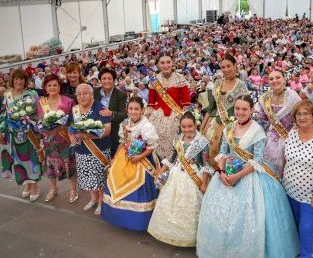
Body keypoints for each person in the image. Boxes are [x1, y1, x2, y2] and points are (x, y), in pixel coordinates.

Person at [196, 95, 298, 258]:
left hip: (248, 175)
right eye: (237, 108)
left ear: (251, 110)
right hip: (225, 174)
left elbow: (257, 159)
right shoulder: (228, 127)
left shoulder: (257, 130)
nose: (240, 112)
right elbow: (223, 152)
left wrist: (237, 176)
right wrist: (220, 172)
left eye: (244, 109)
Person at [148, 111, 211, 246]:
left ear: (196, 125)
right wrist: (161, 172)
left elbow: (206, 165)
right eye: (184, 127)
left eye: (190, 126)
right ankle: (170, 233)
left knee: (191, 206)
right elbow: (171, 159)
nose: (187, 129)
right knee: (172, 204)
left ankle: (191, 237)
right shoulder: (177, 140)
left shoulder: (203, 143)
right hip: (176, 175)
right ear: (180, 127)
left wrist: (204, 183)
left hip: (194, 178)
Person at [283, 100, 313, 258]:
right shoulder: (292, 132)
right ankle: (297, 251)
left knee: (306, 228)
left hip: (312, 196)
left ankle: (307, 255)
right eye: (299, 114)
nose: (302, 117)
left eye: (306, 113)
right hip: (290, 191)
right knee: (295, 225)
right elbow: (286, 158)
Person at [102, 97, 159, 231]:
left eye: (136, 109)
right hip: (125, 157)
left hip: (142, 159)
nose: (133, 111)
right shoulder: (125, 123)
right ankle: (119, 217)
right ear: (127, 109)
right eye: (131, 109)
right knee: (116, 180)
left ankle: (138, 220)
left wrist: (139, 157)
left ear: (142, 110)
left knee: (139, 187)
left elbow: (151, 147)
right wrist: (115, 158)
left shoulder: (146, 126)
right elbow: (122, 142)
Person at [69, 84, 111, 215]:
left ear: (92, 94)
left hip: (99, 150)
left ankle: (101, 202)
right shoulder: (75, 109)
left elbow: (106, 130)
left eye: (85, 93)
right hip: (81, 151)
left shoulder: (100, 108)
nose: (82, 96)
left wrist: (86, 135)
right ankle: (93, 199)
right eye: (79, 94)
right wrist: (73, 141)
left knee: (99, 179)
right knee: (88, 178)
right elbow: (70, 128)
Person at [0, 69, 41, 201]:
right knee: (19, 161)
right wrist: (2, 129)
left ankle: (34, 186)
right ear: (12, 80)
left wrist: (29, 123)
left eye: (21, 79)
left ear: (25, 80)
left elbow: (38, 113)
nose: (19, 81)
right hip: (13, 134)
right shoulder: (8, 95)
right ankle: (26, 184)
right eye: (16, 79)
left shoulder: (31, 93)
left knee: (31, 159)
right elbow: (4, 114)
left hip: (29, 133)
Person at [200, 53, 248, 163]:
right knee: (209, 156)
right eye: (223, 67)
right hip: (213, 124)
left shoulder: (241, 86)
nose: (226, 69)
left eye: (228, 66)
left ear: (235, 66)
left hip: (232, 127)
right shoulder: (216, 83)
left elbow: (245, 110)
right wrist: (202, 127)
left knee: (227, 159)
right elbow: (210, 107)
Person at [36, 74, 77, 203]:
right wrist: (44, 128)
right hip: (49, 139)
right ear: (45, 88)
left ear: (59, 87)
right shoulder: (42, 102)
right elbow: (40, 120)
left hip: (65, 139)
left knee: (69, 165)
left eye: (55, 85)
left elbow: (74, 120)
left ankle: (73, 190)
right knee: (50, 166)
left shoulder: (68, 101)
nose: (52, 87)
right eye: (49, 85)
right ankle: (53, 189)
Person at [255, 70, 301, 177]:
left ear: (284, 79)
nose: (275, 81)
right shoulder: (265, 98)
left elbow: (301, 117)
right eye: (271, 79)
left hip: (290, 141)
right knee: (267, 173)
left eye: (278, 77)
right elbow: (262, 119)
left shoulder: (293, 96)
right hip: (269, 142)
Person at [147, 55, 191, 160]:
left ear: (172, 63)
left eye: (168, 62)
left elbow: (186, 102)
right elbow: (151, 103)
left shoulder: (180, 78)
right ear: (158, 65)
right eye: (162, 63)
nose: (166, 65)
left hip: (176, 115)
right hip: (157, 117)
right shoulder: (154, 80)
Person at [94, 68, 127, 154]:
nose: (107, 81)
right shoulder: (94, 92)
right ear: (100, 80)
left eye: (109, 78)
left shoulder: (121, 95)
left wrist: (111, 113)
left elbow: (124, 115)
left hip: (113, 133)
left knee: (112, 158)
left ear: (114, 80)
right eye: (104, 78)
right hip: (95, 131)